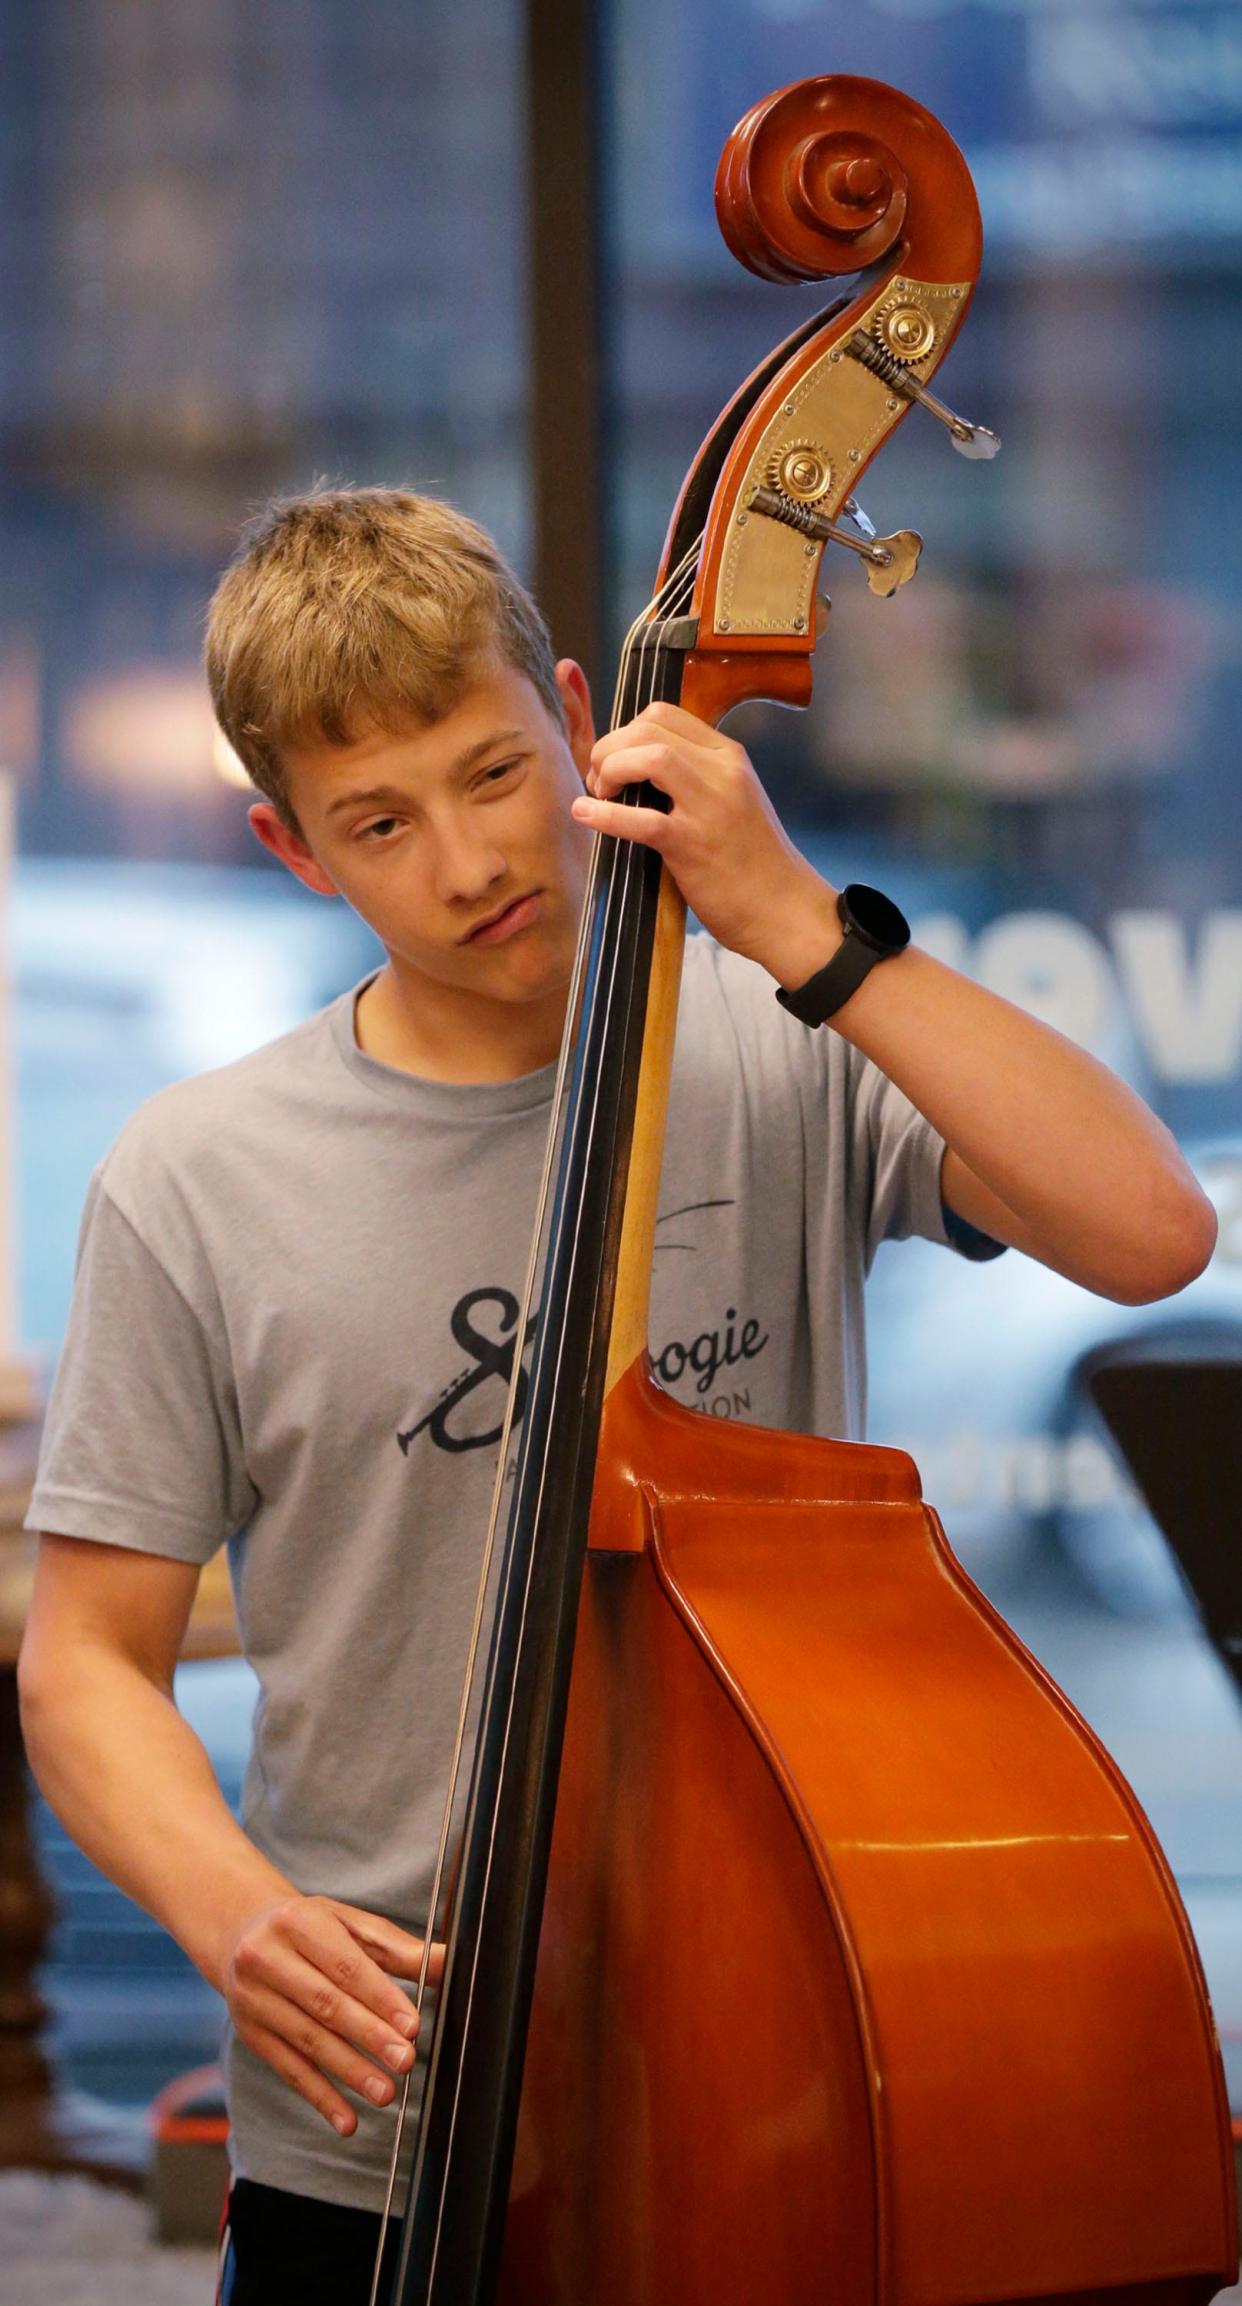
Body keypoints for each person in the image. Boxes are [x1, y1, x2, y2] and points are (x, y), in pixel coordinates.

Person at [17, 488, 1214, 2304]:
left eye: (495, 772)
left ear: (579, 715)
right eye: (377, 824)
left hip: (775, 2058)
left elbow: (1146, 1232)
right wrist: (232, 1907)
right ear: (290, 850)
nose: (464, 858)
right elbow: (86, 1654)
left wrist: (806, 925)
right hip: (379, 2109)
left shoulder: (779, 1039)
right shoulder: (193, 1175)